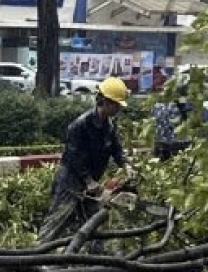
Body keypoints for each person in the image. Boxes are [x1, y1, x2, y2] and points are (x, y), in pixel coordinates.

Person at [38, 77, 136, 243]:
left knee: (93, 224)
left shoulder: (110, 126)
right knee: (56, 223)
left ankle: (92, 255)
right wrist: (88, 180)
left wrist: (126, 165)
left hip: (91, 182)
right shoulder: (80, 125)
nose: (118, 108)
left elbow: (116, 150)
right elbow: (73, 156)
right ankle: (37, 253)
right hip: (70, 182)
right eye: (116, 104)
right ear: (105, 101)